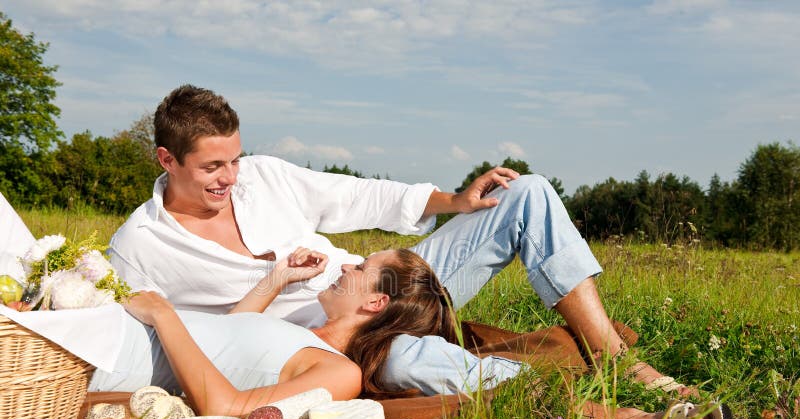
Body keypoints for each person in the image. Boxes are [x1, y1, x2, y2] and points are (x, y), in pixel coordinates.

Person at [108, 84, 686, 396]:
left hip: (369, 283)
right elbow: (138, 329)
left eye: (234, 159)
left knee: (527, 192)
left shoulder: (262, 176)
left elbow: (362, 199)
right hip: (324, 343)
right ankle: (560, 401)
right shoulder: (140, 244)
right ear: (167, 159)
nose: (230, 178)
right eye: (213, 167)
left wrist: (455, 203)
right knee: (405, 358)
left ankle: (618, 363)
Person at [113, 247, 724, 419]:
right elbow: (225, 340)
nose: (345, 265)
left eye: (361, 267)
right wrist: (274, 281)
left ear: (375, 304)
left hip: (429, 374)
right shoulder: (304, 322)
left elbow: (512, 389)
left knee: (490, 387)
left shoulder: (395, 353)